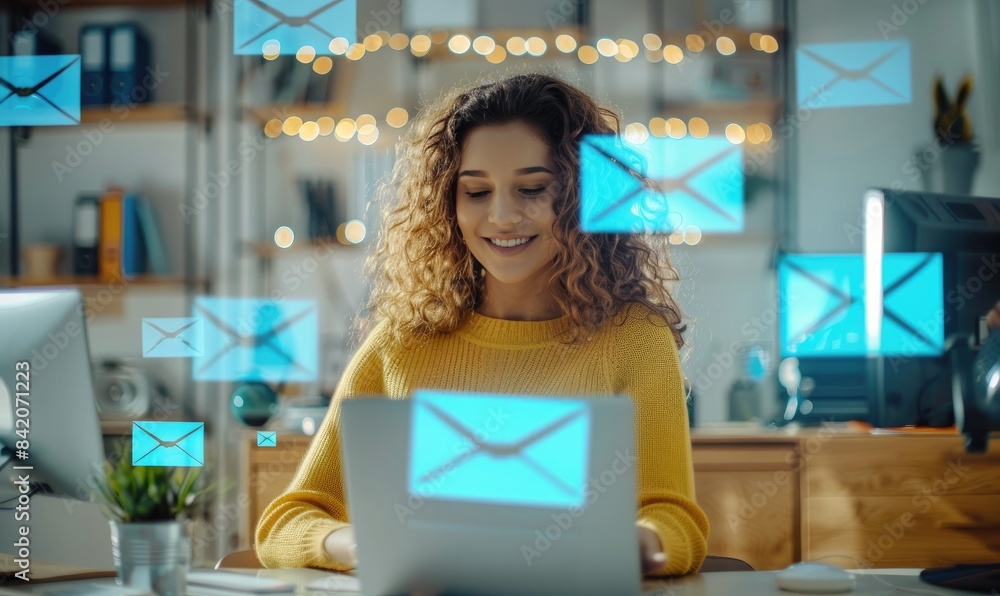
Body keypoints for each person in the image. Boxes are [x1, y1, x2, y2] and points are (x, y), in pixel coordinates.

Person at [255, 72, 710, 576]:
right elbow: (287, 522)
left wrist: (638, 542)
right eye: (475, 192)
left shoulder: (635, 341)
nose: (502, 215)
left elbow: (674, 518)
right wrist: (357, 545)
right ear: (448, 205)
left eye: (532, 188)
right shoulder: (402, 344)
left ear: (581, 196)